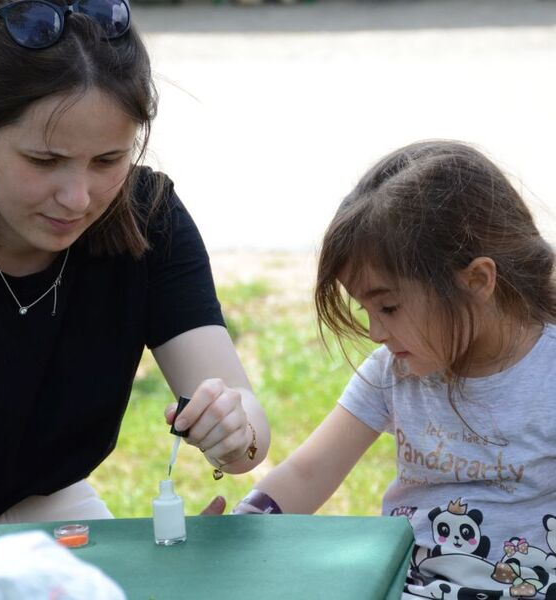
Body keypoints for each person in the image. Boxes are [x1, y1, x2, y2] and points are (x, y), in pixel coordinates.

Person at [0, 0, 269, 526]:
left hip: (47, 505)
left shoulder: (149, 220)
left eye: (108, 160)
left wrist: (233, 432)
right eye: (44, 161)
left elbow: (245, 432)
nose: (78, 198)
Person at [231, 141, 556, 599]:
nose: (375, 331)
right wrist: (238, 532)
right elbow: (308, 473)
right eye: (364, 308)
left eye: (388, 306)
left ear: (477, 281)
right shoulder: (394, 371)